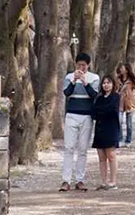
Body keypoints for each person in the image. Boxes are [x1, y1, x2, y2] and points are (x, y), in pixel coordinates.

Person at [60, 52, 100, 192]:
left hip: (87, 115)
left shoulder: (94, 78)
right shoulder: (69, 77)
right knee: (69, 148)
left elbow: (94, 94)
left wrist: (84, 81)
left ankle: (80, 179)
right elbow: (66, 93)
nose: (81, 67)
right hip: (71, 114)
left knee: (82, 149)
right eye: (79, 65)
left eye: (83, 65)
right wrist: (73, 80)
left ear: (88, 65)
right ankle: (66, 180)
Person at [91, 75, 122, 190]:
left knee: (111, 155)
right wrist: (101, 111)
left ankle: (113, 181)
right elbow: (93, 112)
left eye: (108, 82)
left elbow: (112, 110)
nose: (106, 85)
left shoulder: (116, 97)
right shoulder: (99, 98)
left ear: (113, 84)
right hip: (100, 128)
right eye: (104, 83)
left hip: (111, 128)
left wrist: (101, 111)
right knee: (101, 157)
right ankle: (103, 181)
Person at [115, 64, 135, 148]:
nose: (121, 69)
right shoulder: (118, 79)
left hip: (129, 103)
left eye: (122, 68)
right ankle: (120, 139)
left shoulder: (132, 80)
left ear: (126, 70)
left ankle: (128, 140)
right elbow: (115, 89)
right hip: (120, 103)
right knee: (119, 121)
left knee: (129, 124)